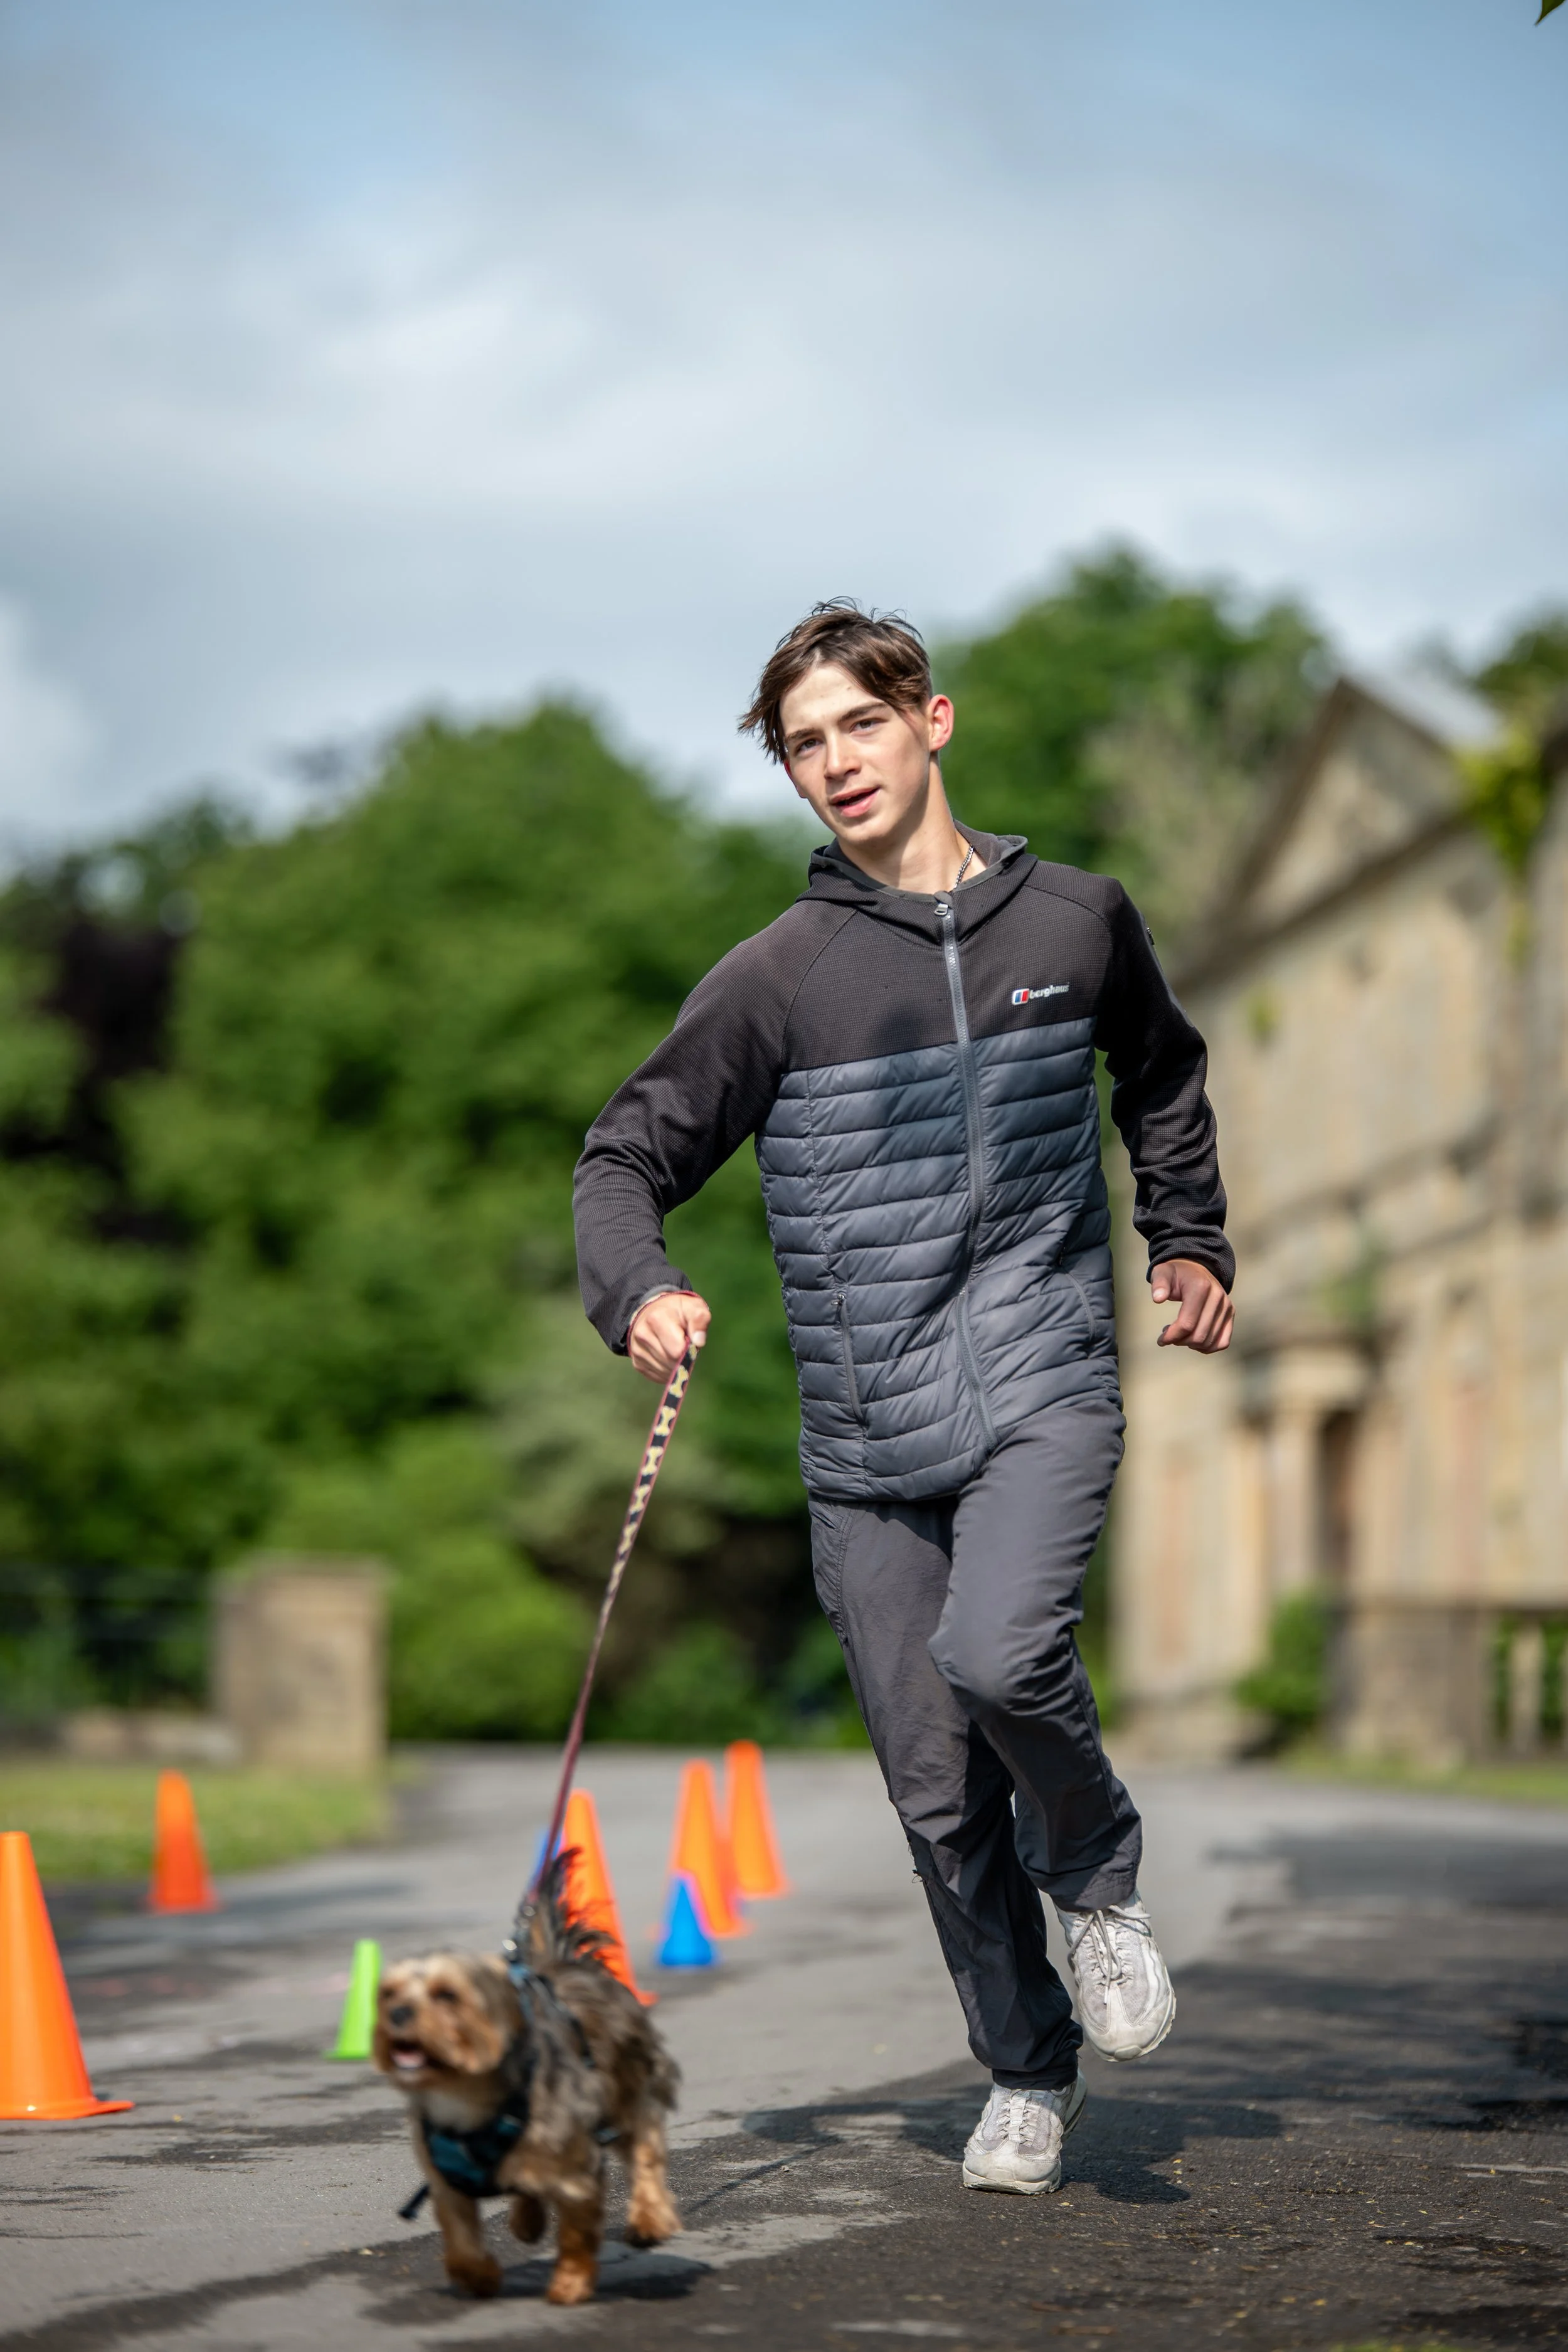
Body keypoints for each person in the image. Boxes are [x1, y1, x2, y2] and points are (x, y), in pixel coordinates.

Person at [573, 601, 1234, 2196]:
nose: (834, 761)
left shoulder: (1075, 921)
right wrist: (639, 1287)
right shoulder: (779, 979)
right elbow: (623, 1155)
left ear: (926, 722)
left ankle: (1098, 1886)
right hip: (867, 1433)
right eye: (803, 745)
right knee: (936, 1799)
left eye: (856, 725)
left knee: (1003, 1648)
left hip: (1038, 1366)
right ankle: (1025, 2071)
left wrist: (1186, 1233)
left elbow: (1158, 1071)